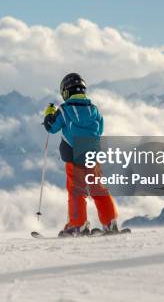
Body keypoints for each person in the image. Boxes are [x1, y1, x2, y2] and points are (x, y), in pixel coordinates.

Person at [43, 73, 119, 237]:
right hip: (92, 155)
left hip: (73, 155)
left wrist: (49, 113)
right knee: (98, 189)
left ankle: (78, 225)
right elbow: (99, 130)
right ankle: (110, 222)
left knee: (77, 191)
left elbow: (51, 127)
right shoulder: (94, 110)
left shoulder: (64, 110)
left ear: (65, 92)